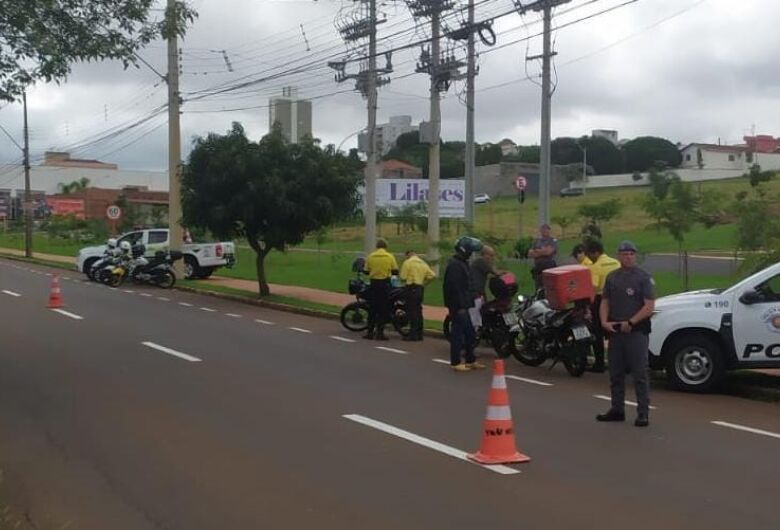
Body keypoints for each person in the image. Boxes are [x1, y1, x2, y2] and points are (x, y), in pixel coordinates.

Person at [596, 241, 656, 427]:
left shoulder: (643, 278)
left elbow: (649, 305)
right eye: (624, 254)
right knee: (615, 372)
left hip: (635, 331)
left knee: (639, 373)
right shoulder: (612, 277)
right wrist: (604, 321)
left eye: (631, 254)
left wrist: (632, 322)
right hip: (615, 330)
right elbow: (605, 301)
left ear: (635, 256)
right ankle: (617, 409)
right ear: (618, 256)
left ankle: (643, 412)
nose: (627, 257)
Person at [443, 236, 485, 372]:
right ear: (465, 250)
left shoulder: (462, 263)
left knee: (470, 334)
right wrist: (458, 306)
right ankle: (455, 362)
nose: (472, 254)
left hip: (465, 304)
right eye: (470, 251)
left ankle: (470, 360)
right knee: (457, 333)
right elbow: (454, 288)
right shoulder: (455, 265)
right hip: (459, 306)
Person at [584, 239, 621, 373]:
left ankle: (599, 364)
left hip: (601, 300)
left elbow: (593, 288)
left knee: (597, 332)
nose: (588, 258)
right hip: (618, 300)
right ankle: (620, 363)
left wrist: (588, 306)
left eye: (589, 254)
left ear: (595, 253)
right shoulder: (616, 262)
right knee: (615, 333)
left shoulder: (595, 267)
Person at [364, 239, 399, 341]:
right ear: (385, 247)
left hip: (374, 284)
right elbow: (395, 271)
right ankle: (380, 333)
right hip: (385, 284)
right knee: (383, 309)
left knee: (372, 309)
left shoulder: (371, 256)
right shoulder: (389, 256)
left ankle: (369, 332)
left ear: (376, 246)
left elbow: (366, 271)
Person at [399, 250, 436, 342]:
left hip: (411, 288)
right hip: (419, 288)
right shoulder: (423, 263)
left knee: (412, 312)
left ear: (408, 255)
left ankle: (413, 335)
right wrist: (424, 284)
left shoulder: (407, 263)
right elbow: (433, 276)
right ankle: (420, 334)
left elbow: (403, 277)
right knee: (419, 311)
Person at [528, 224, 558, 290]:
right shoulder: (536, 241)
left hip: (549, 265)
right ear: (540, 231)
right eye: (543, 229)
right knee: (538, 286)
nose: (544, 231)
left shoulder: (552, 240)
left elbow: (549, 252)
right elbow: (530, 254)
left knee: (550, 285)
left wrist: (537, 251)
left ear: (549, 230)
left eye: (546, 229)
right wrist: (543, 251)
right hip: (538, 266)